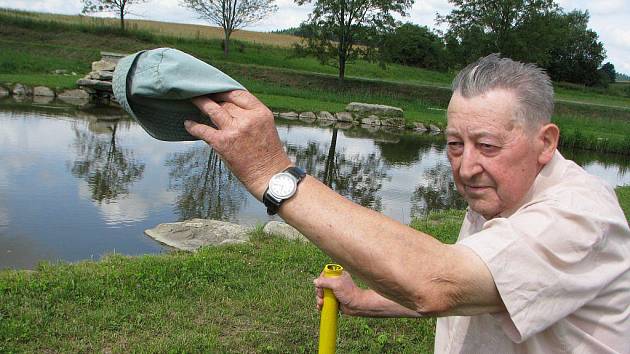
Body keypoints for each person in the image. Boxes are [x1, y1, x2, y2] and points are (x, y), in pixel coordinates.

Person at [183, 54, 630, 353]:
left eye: (488, 145)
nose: (466, 166)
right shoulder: (499, 193)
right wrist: (364, 301)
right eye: (455, 144)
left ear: (545, 142)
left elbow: (439, 284)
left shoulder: (580, 215)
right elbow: (484, 292)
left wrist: (270, 173)